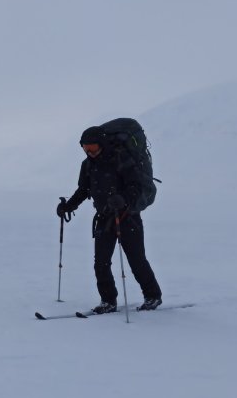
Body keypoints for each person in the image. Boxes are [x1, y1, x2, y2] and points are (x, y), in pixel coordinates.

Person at [56, 124, 163, 314]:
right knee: (101, 262)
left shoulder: (121, 159)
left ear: (102, 144)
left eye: (93, 148)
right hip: (104, 219)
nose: (89, 152)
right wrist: (68, 206)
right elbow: (83, 190)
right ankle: (108, 301)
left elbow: (135, 187)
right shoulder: (88, 165)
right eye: (85, 148)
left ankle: (152, 295)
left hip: (128, 218)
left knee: (136, 260)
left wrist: (122, 199)